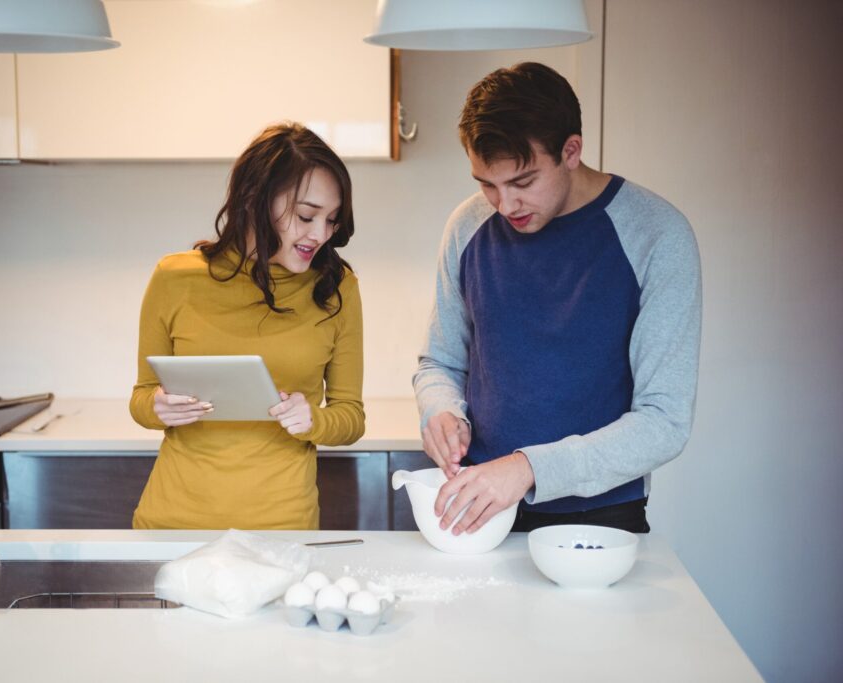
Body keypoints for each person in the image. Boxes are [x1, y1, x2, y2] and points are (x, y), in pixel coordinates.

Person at [414, 62, 701, 535]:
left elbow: (664, 421)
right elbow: (438, 362)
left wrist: (527, 469)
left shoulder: (657, 235)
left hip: (600, 519)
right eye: (487, 184)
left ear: (571, 150)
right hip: (480, 509)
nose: (505, 206)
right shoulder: (467, 226)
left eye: (523, 182)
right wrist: (440, 409)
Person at [130, 123, 364, 530]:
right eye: (307, 215)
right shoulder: (174, 278)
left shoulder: (337, 287)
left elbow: (351, 417)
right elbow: (141, 399)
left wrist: (314, 420)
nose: (320, 234)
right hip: (172, 522)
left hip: (282, 528)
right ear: (255, 199)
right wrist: (157, 407)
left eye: (331, 220)